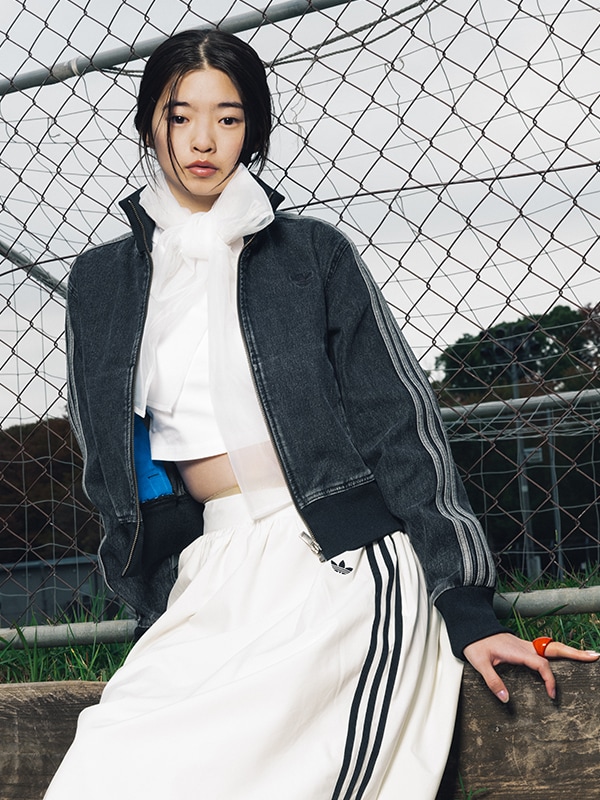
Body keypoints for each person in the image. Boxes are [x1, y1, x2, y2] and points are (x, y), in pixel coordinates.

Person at [44, 27, 598, 800]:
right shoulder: (101, 282)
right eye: (181, 115)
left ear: (253, 132)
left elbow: (401, 428)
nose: (204, 138)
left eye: (230, 118)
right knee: (99, 778)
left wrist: (467, 608)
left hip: (338, 564)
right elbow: (109, 467)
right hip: (210, 570)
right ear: (150, 125)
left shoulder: (311, 256)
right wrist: (153, 596)